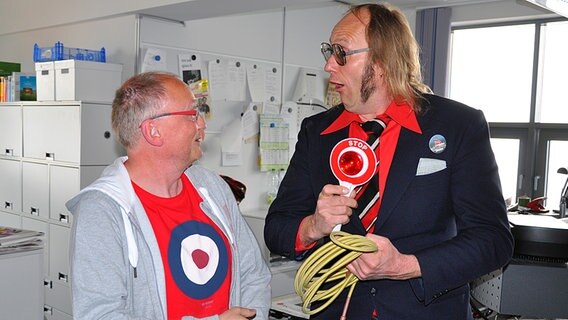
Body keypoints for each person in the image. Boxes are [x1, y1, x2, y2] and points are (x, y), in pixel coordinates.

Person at [264, 3, 513, 320]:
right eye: (329, 51)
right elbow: (276, 229)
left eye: (341, 53)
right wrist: (313, 226)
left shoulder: (458, 125)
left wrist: (406, 266)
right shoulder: (317, 133)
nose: (328, 65)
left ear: (382, 61)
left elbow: (493, 240)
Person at [67, 71, 271, 320]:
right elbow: (100, 315)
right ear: (154, 131)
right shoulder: (102, 210)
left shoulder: (213, 189)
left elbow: (253, 274)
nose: (202, 123)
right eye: (191, 114)